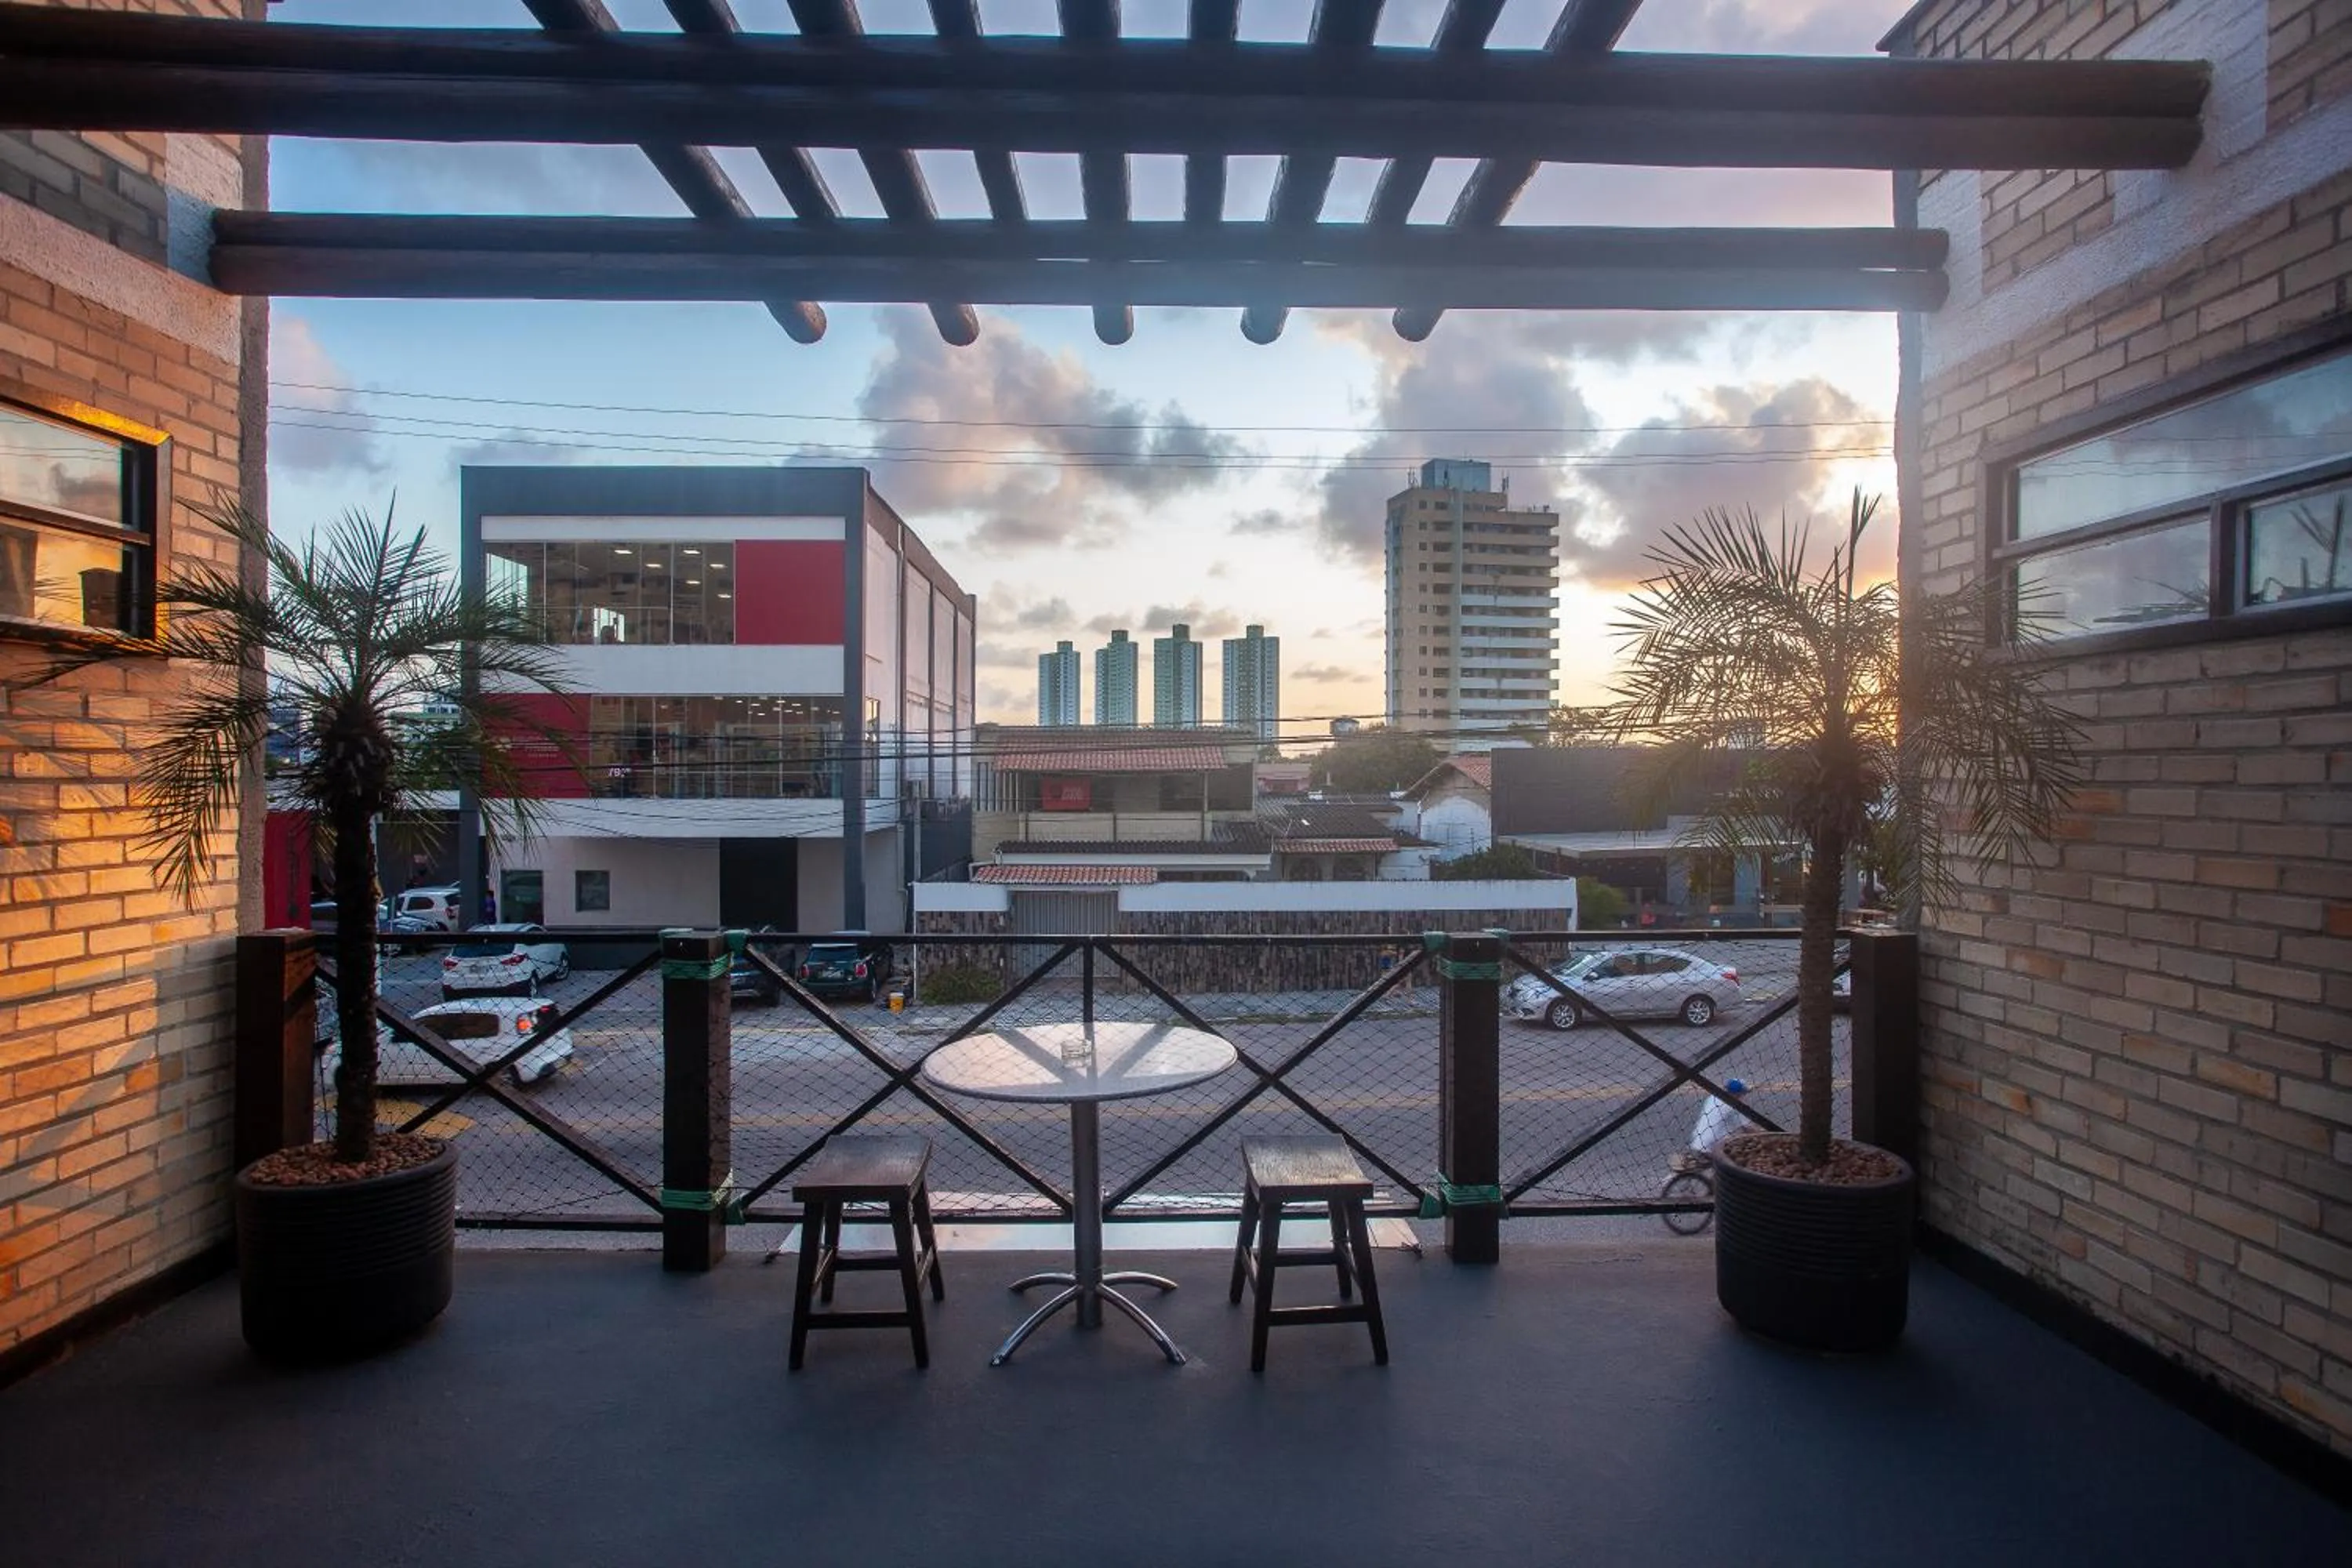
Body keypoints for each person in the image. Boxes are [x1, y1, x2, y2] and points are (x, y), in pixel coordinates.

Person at [1686, 1078, 1755, 1163]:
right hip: (1711, 1150)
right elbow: (1749, 1129)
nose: (1744, 1096)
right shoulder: (1734, 1106)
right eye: (1743, 1094)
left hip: (1697, 1144)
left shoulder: (1713, 1097)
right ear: (1738, 1094)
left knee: (1733, 1127)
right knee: (1744, 1142)